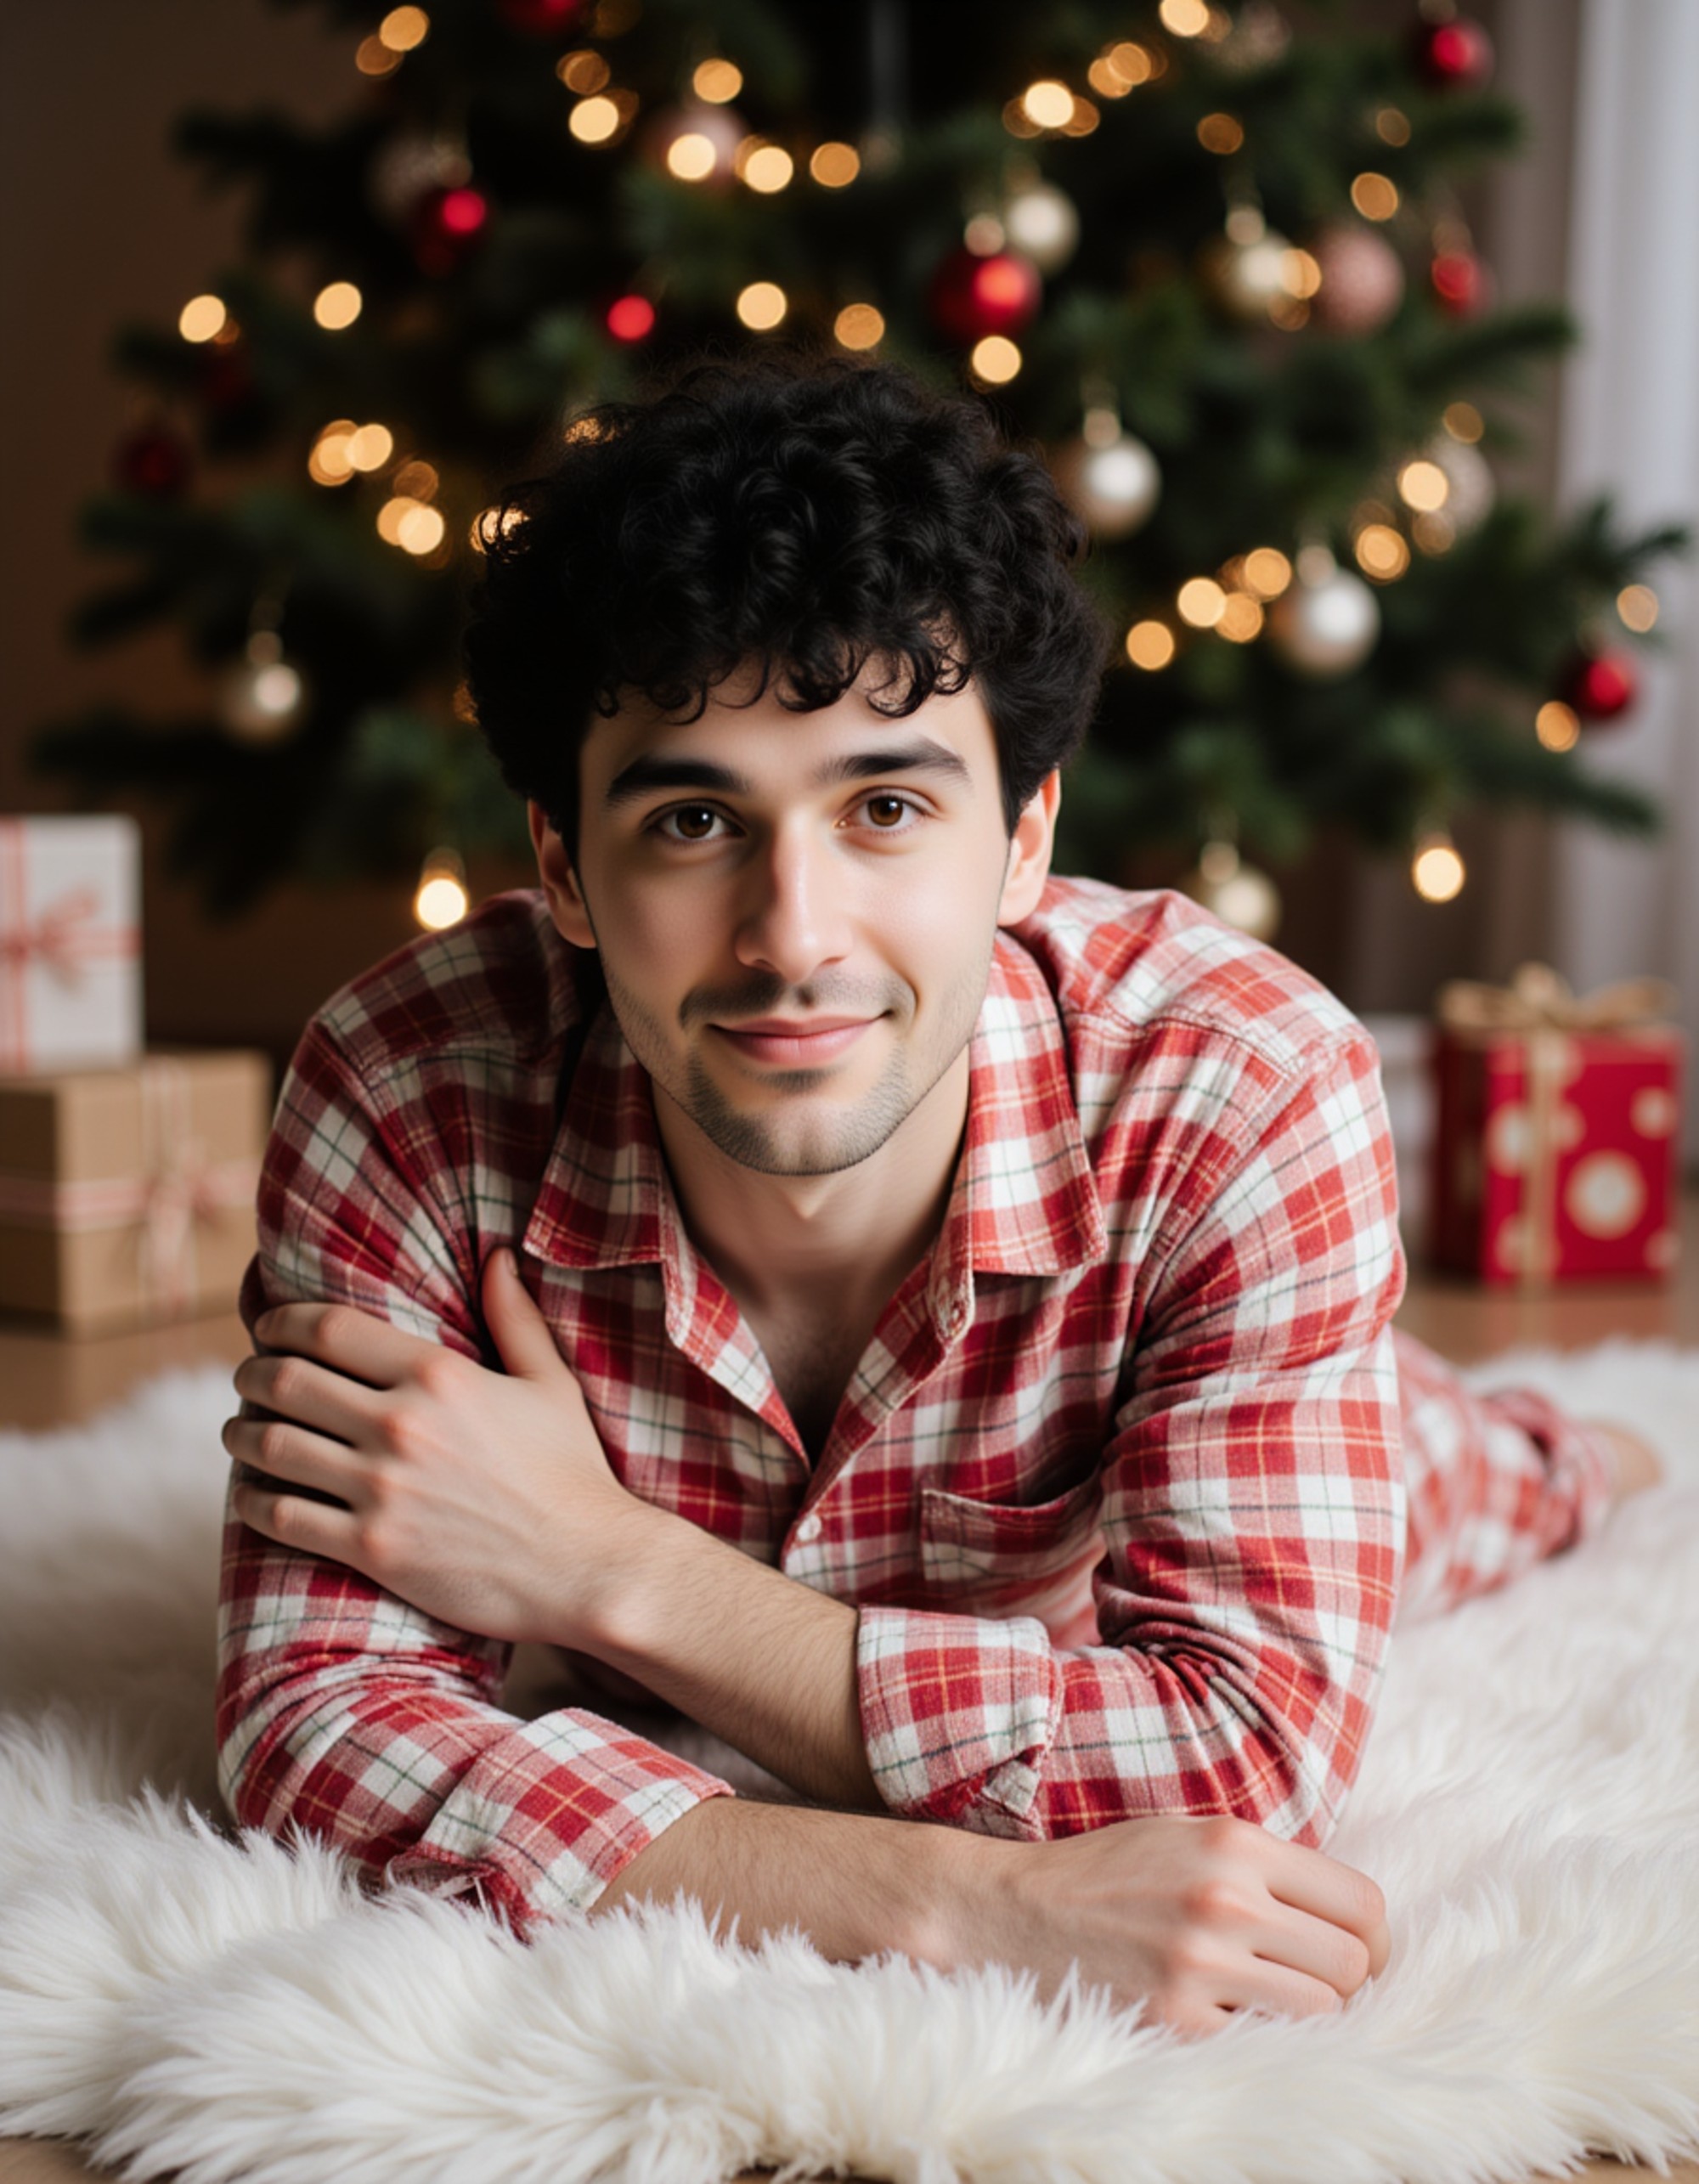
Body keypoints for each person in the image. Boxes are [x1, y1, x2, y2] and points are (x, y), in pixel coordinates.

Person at [217, 355, 1658, 2038]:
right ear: (561, 871)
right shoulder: (404, 1090)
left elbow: (1244, 1756)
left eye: (887, 805)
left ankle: (1556, 1440)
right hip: (1003, 1647)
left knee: (1485, 1478)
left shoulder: (1235, 1083)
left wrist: (609, 1568)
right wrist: (949, 1902)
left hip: (1161, 1469)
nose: (794, 934)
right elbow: (309, 1721)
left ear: (1025, 835)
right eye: (693, 818)